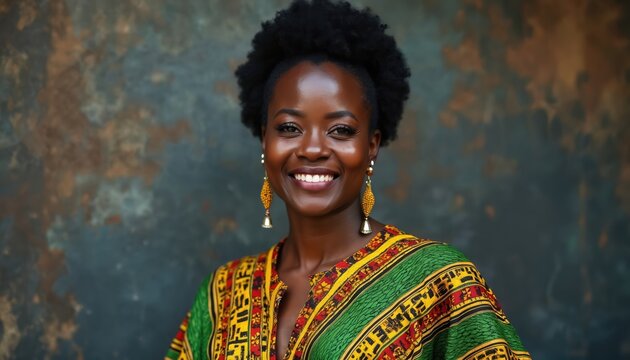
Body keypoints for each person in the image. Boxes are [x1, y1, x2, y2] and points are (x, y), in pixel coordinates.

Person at [165, 0, 530, 359]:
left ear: (372, 146)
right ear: (265, 139)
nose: (311, 149)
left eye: (340, 130)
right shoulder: (221, 293)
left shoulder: (438, 281)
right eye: (289, 127)